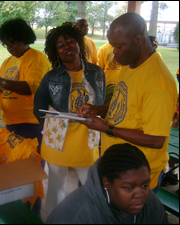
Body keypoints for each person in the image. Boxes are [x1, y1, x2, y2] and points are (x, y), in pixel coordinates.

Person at [77, 13, 178, 193]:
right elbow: (124, 101)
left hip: (136, 179)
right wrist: (98, 109)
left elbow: (156, 140)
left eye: (118, 46)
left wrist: (108, 129)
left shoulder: (158, 84)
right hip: (118, 167)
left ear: (138, 40)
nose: (114, 52)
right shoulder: (130, 65)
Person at [33, 22, 106, 215]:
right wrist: (53, 125)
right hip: (58, 141)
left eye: (70, 41)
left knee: (92, 188)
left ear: (79, 43)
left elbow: (102, 104)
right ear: (55, 52)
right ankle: (52, 219)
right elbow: (38, 108)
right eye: (60, 45)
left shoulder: (97, 72)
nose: (67, 47)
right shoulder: (50, 77)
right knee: (55, 189)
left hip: (87, 141)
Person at [0, 18, 51, 216]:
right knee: (15, 171)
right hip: (11, 124)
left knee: (31, 173)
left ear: (24, 39)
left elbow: (31, 86)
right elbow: (1, 85)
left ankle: (33, 214)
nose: (9, 47)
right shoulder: (9, 61)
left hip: (32, 125)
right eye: (5, 43)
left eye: (12, 42)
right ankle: (18, 211)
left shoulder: (36, 58)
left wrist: (1, 82)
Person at [47, 143, 169, 224]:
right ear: (107, 183)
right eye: (129, 188)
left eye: (144, 185)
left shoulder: (151, 204)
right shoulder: (78, 215)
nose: (139, 194)